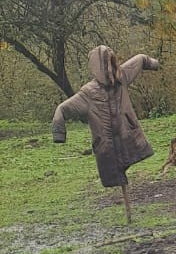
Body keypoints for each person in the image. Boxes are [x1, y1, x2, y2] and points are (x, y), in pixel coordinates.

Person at [52, 46, 159, 188]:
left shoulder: (122, 77)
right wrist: (59, 134)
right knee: (115, 174)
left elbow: (139, 60)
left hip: (129, 140)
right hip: (107, 149)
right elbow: (62, 110)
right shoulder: (88, 94)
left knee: (123, 168)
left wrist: (153, 64)